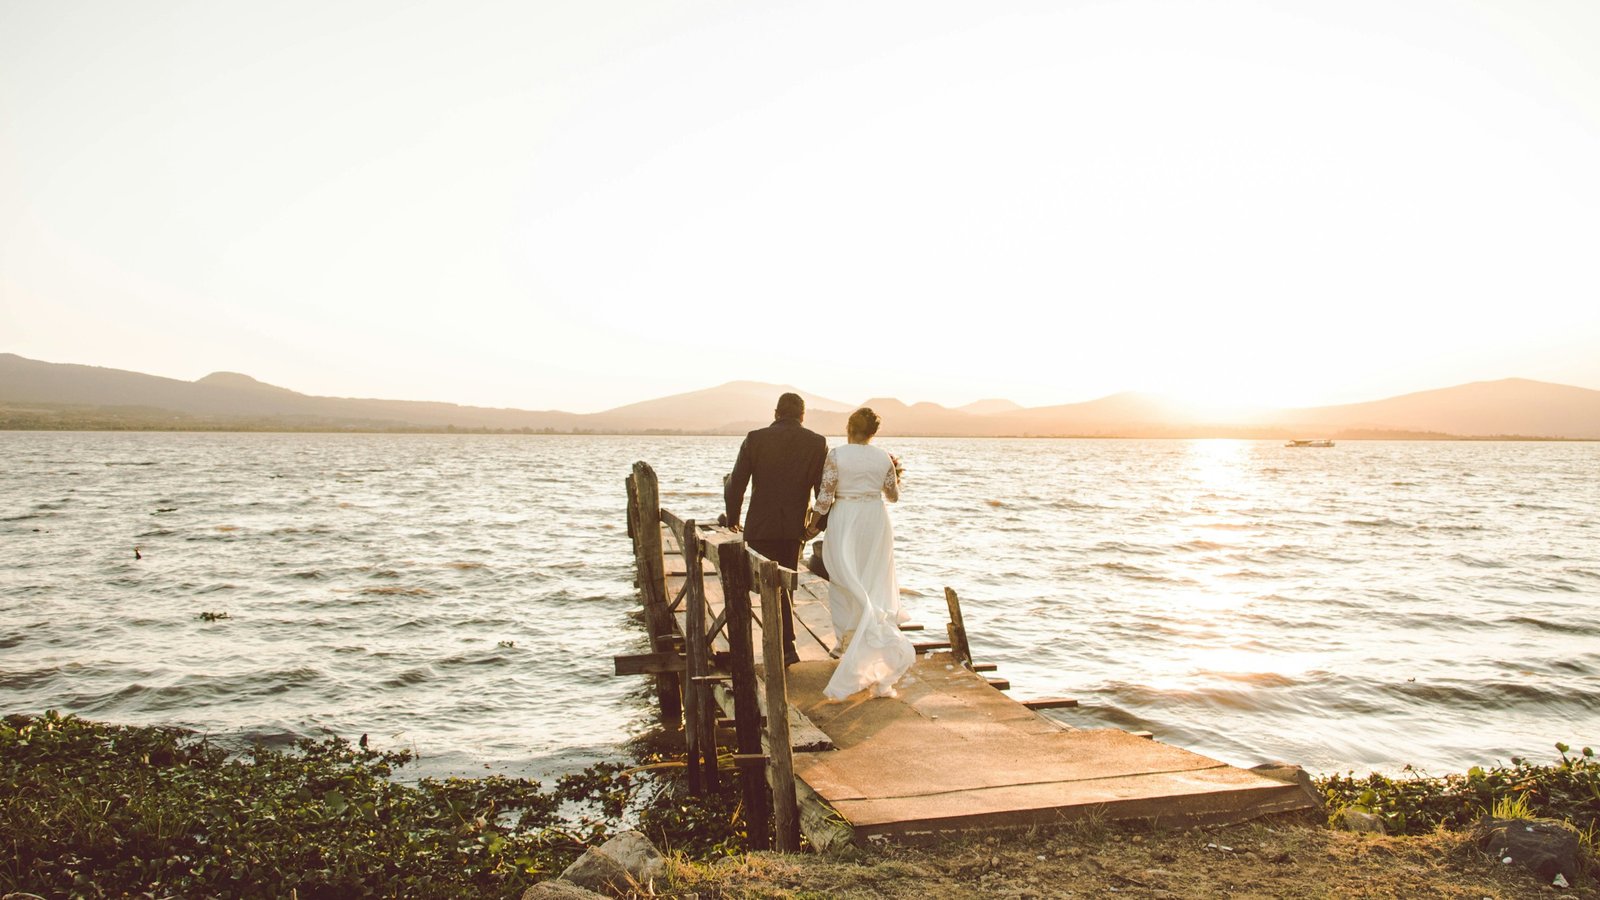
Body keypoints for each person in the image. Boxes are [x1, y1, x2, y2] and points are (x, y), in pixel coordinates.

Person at [815, 407, 914, 700]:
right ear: (873, 433)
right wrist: (895, 474)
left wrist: (810, 525)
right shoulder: (883, 456)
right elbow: (893, 496)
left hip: (845, 516)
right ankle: (865, 639)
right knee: (872, 579)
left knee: (843, 576)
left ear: (849, 427)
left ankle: (846, 640)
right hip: (874, 518)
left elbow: (824, 497)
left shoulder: (836, 455)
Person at [724, 392, 828, 666]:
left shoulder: (755, 438)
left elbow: (737, 483)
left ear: (776, 413)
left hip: (760, 524)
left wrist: (733, 516)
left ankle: (767, 647)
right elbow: (823, 491)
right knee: (784, 585)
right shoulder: (817, 443)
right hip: (793, 528)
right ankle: (786, 646)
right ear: (802, 416)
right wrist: (817, 525)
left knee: (758, 585)